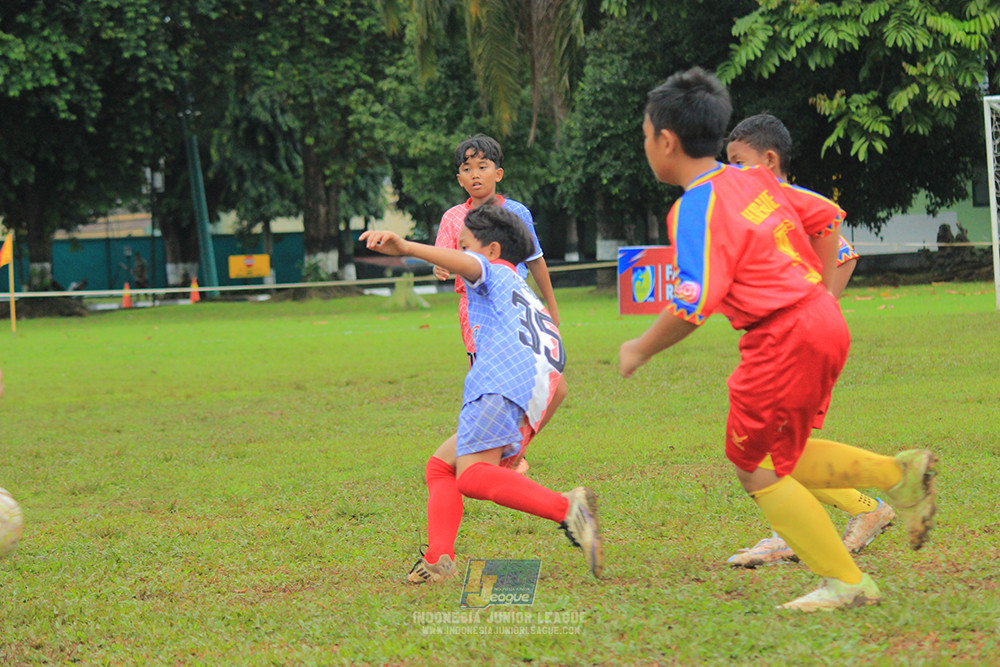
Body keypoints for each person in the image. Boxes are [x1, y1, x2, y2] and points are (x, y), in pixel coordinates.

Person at [620, 67, 937, 612]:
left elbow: (693, 303)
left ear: (665, 141)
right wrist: (815, 289)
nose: (646, 146)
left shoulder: (694, 207)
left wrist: (640, 347)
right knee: (780, 457)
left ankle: (847, 581)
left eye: (645, 136)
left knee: (753, 466)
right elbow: (826, 215)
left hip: (781, 336)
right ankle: (897, 476)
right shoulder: (755, 180)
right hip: (822, 321)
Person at [360, 205, 602, 584]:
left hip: (497, 381)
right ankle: (440, 558)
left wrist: (406, 246)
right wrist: (520, 443)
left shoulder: (490, 271)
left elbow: (472, 266)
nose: (459, 255)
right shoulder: (522, 293)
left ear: (490, 251)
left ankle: (567, 507)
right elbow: (560, 385)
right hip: (527, 386)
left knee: (471, 477)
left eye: (464, 247)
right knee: (441, 466)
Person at [722, 113, 895, 568]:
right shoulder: (762, 208)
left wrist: (819, 304)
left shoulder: (788, 201)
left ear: (769, 158)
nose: (731, 174)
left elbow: (843, 250)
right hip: (796, 341)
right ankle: (839, 516)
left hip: (802, 344)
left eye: (738, 162)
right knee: (780, 446)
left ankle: (859, 511)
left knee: (777, 449)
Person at [435, 134, 560, 366]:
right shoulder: (452, 218)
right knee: (485, 369)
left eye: (482, 167)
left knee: (524, 370)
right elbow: (443, 257)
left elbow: (535, 260)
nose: (475, 174)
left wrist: (551, 307)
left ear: (498, 174)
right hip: (473, 306)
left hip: (515, 302)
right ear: (459, 179)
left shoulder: (517, 213)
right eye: (467, 169)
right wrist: (439, 267)